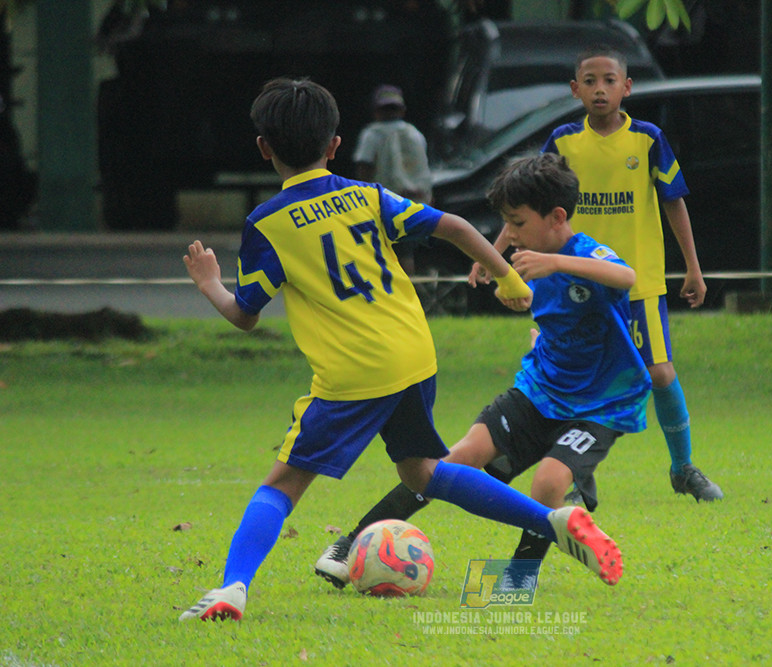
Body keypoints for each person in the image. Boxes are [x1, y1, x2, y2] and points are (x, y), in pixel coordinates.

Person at [178, 78, 622, 622]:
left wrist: (208, 284)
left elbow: (245, 315)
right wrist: (506, 277)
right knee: (422, 472)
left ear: (264, 148)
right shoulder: (365, 197)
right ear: (336, 145)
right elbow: (455, 227)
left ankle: (232, 588)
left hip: (353, 373)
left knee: (284, 483)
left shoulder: (265, 224)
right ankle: (550, 520)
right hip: (414, 356)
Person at [314, 152, 650, 588]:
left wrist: (556, 263)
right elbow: (529, 281)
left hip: (601, 403)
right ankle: (352, 542)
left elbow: (625, 276)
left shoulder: (581, 254)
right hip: (540, 389)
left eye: (517, 222)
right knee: (452, 461)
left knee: (549, 481)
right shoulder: (525, 256)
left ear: (557, 217)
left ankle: (519, 576)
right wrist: (491, 257)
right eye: (505, 223)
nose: (510, 233)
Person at [475, 45, 723, 502]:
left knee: (661, 374)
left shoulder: (648, 139)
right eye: (589, 81)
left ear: (627, 87)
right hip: (572, 285)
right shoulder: (564, 142)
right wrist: (491, 256)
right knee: (575, 373)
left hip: (636, 281)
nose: (600, 89)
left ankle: (683, 467)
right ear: (575, 90)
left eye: (609, 80)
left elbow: (674, 201)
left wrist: (693, 267)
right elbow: (526, 201)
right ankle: (574, 475)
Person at [352, 84, 432, 275]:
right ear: (402, 110)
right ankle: (411, 292)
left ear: (375, 111)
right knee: (408, 251)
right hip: (416, 201)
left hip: (384, 202)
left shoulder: (372, 134)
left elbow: (364, 167)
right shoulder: (415, 133)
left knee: (383, 251)